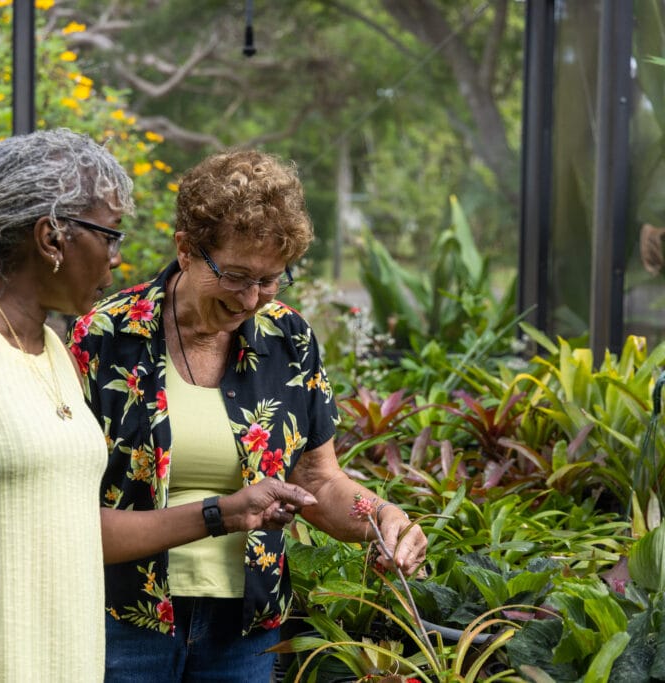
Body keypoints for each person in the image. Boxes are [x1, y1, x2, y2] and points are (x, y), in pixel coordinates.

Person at [0, 129, 320, 682]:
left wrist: (226, 512)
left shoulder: (50, 350)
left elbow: (75, 525)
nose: (118, 260)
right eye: (110, 236)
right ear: (52, 239)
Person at [69, 149, 429, 682]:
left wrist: (381, 518)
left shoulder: (290, 339)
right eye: (236, 276)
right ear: (187, 250)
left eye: (270, 280)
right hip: (123, 616)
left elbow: (318, 479)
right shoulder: (105, 336)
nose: (251, 299)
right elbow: (67, 501)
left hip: (246, 626)